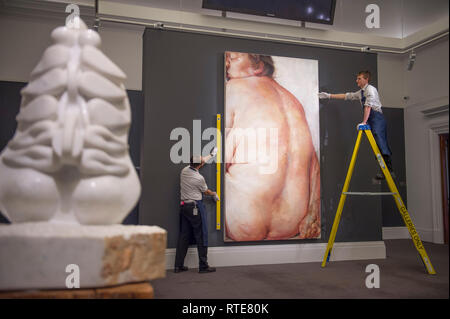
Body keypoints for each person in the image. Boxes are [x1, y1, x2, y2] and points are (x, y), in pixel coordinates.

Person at [225, 52, 320, 241]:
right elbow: (313, 166)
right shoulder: (293, 101)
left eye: (232, 58)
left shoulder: (234, 88)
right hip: (292, 222)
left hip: (246, 215)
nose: (226, 63)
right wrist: (313, 209)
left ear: (258, 65)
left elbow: (220, 158)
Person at [318, 70, 393, 180]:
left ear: (366, 79)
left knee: (379, 140)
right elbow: (347, 96)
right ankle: (384, 170)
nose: (356, 80)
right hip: (371, 119)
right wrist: (329, 96)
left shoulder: (370, 90)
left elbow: (368, 106)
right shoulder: (361, 92)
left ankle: (389, 169)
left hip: (377, 118)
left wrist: (364, 122)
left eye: (359, 78)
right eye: (357, 78)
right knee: (376, 145)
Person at [174, 153, 218, 273]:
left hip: (184, 207)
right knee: (201, 235)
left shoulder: (184, 171)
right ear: (200, 165)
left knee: (184, 236)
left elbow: (201, 161)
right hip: (195, 208)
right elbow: (206, 192)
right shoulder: (199, 179)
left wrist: (211, 155)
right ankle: (203, 266)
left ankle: (178, 266)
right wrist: (214, 193)